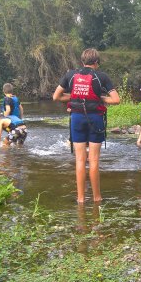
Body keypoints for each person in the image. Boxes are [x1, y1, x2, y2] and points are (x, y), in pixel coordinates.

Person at [52, 48, 121, 203]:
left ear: (82, 61)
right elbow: (116, 100)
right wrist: (100, 98)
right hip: (95, 119)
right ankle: (97, 198)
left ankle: (81, 199)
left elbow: (56, 96)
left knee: (80, 160)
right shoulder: (102, 76)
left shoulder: (70, 75)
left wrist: (74, 96)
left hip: (77, 119)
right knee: (94, 160)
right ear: (96, 62)